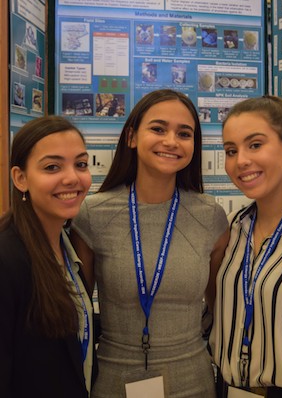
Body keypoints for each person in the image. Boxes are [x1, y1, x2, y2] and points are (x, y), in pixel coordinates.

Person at [71, 89, 229, 398]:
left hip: (194, 382)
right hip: (114, 382)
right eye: (158, 129)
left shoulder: (210, 215)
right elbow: (79, 316)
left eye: (184, 133)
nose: (171, 141)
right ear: (131, 137)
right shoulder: (93, 214)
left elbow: (220, 307)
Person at [210, 95, 282, 398]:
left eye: (255, 145)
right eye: (231, 150)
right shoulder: (230, 229)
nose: (241, 160)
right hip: (224, 389)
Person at [0, 116, 97, 398]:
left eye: (80, 164)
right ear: (20, 178)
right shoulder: (7, 258)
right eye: (52, 167)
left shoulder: (67, 248)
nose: (72, 178)